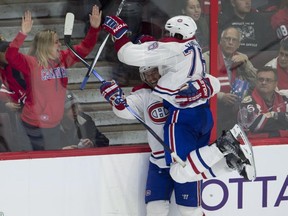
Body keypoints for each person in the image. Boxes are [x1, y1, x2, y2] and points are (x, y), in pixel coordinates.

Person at [100, 15, 256, 215]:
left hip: (183, 135)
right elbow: (124, 111)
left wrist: (204, 86)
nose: (152, 76)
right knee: (157, 207)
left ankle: (226, 149)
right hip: (160, 161)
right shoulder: (144, 94)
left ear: (162, 65)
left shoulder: (176, 69)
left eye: (154, 71)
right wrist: (115, 100)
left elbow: (213, 81)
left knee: (188, 201)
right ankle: (229, 160)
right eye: (146, 74)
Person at [5, 6, 102, 151]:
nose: (60, 44)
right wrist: (22, 34)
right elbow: (10, 56)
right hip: (31, 126)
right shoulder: (32, 63)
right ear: (46, 45)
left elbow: (85, 47)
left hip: (54, 125)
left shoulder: (63, 58)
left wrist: (94, 28)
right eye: (56, 42)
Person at [203, 26, 257, 135]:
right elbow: (200, 85)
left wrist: (245, 65)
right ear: (221, 41)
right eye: (227, 39)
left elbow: (256, 81)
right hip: (213, 106)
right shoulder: (207, 57)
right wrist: (221, 96)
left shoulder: (242, 57)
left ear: (238, 44)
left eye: (234, 40)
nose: (230, 43)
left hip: (237, 108)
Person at [238, 66, 288, 138]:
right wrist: (282, 123)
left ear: (275, 84)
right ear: (256, 81)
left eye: (268, 80)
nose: (264, 82)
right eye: (261, 79)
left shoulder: (284, 99)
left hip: (282, 144)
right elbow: (256, 125)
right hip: (256, 145)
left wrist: (273, 115)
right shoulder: (247, 102)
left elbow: (264, 124)